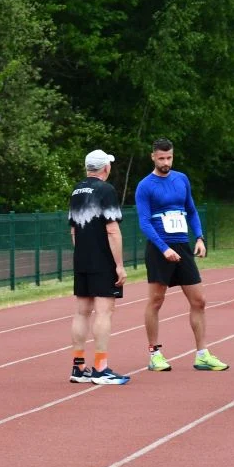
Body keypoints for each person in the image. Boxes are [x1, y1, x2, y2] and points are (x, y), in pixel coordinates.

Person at [134, 138, 228, 372]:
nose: (166, 162)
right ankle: (154, 354)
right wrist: (163, 248)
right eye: (161, 158)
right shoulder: (145, 186)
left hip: (183, 246)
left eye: (169, 158)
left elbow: (191, 211)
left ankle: (202, 355)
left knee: (199, 300)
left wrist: (200, 238)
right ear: (153, 157)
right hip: (159, 248)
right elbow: (144, 222)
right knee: (156, 301)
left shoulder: (181, 179)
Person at [68, 150, 130, 385]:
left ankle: (78, 367)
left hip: (81, 258)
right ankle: (101, 368)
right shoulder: (106, 190)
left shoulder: (76, 191)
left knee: (82, 312)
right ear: (105, 168)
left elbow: (73, 230)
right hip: (102, 259)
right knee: (104, 311)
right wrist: (119, 265)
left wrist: (82, 254)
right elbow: (112, 230)